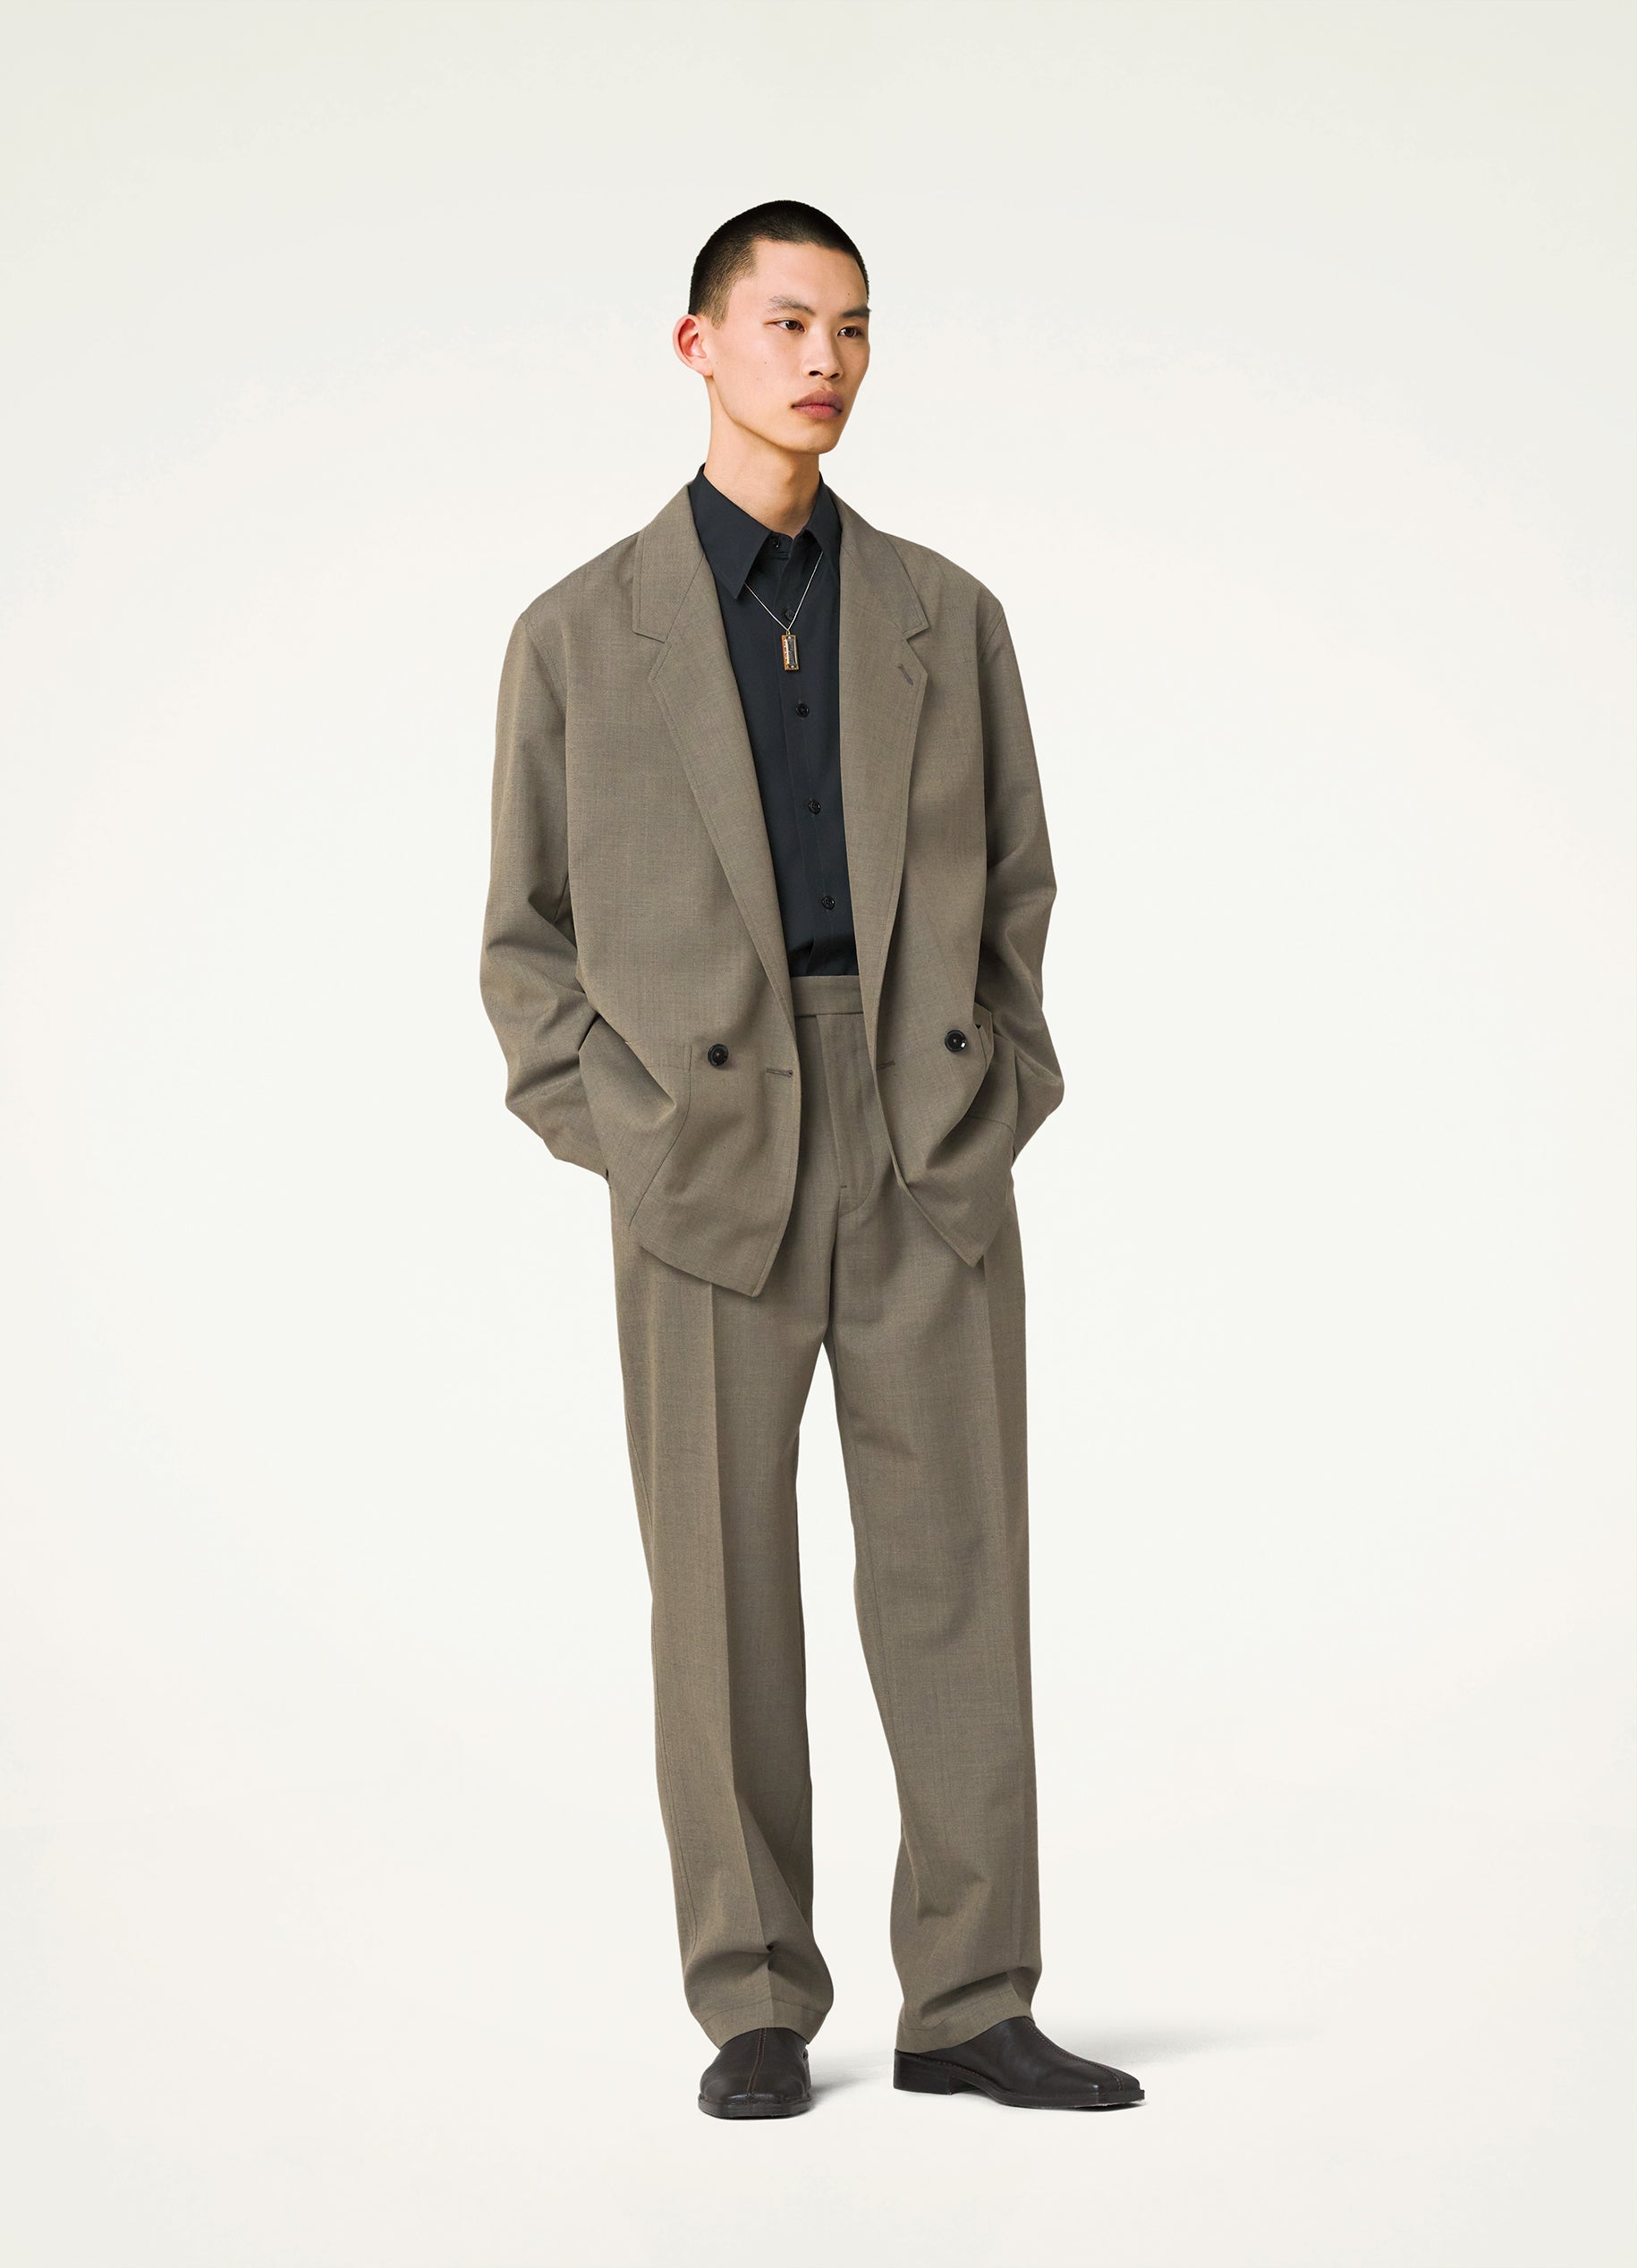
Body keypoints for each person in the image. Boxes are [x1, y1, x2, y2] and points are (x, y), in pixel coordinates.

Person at [479, 200, 1143, 2119]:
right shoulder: (576, 635)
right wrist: (625, 1134)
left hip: (921, 1121)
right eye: (785, 323)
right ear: (698, 345)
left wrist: (1000, 1081)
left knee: (960, 1576)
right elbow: (523, 944)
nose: (824, 360)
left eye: (851, 326)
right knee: (720, 1595)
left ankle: (969, 2001)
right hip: (701, 1143)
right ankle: (754, 1999)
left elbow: (1018, 886)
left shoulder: (948, 612)